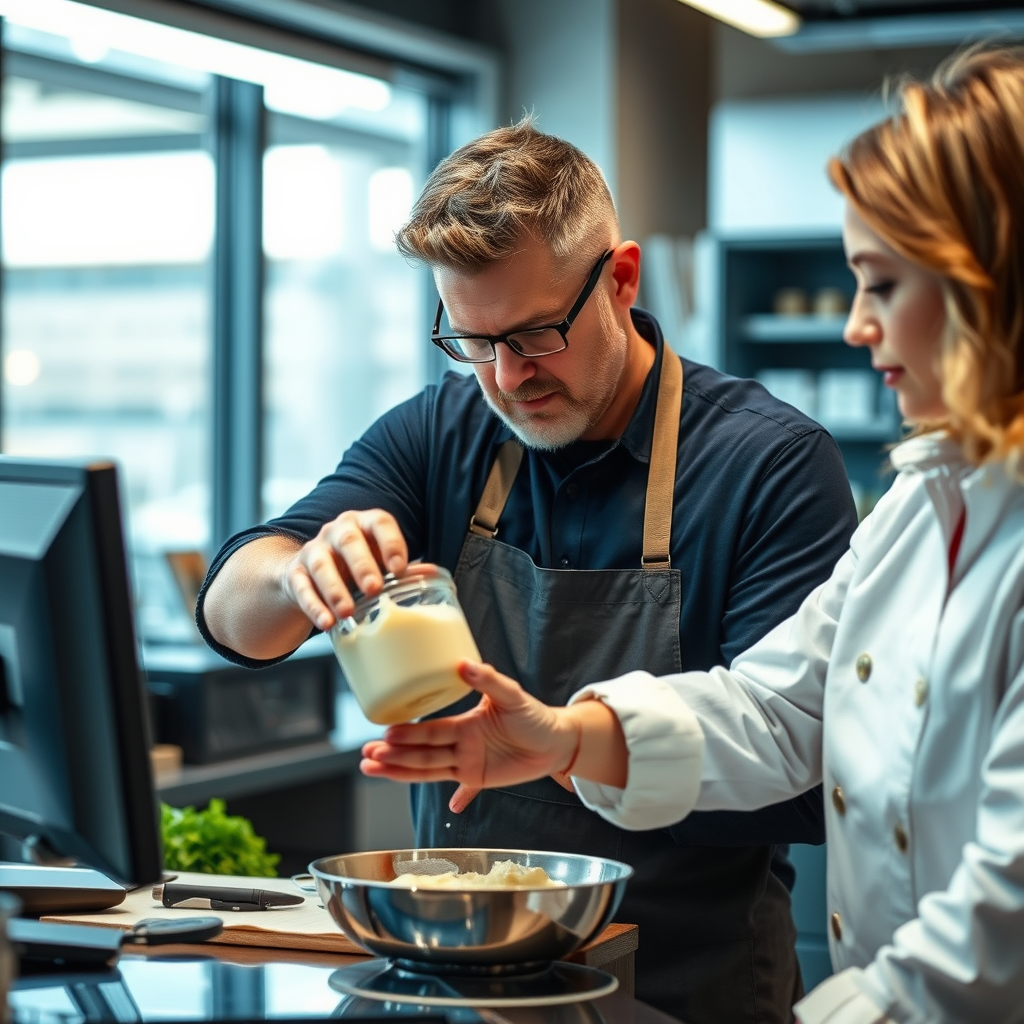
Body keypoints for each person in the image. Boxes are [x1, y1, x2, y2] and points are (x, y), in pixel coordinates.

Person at [359, 44, 1024, 1024]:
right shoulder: (923, 513)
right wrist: (560, 739)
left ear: (989, 288)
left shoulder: (777, 458)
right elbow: (776, 709)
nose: (853, 325)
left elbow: (998, 918)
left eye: (881, 285)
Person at [197, 118, 858, 1023]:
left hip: (682, 982)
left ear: (621, 279)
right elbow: (237, 616)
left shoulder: (768, 463)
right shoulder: (441, 434)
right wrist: (298, 574)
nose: (507, 379)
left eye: (536, 335)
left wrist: (563, 745)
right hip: (459, 979)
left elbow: (793, 765)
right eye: (472, 342)